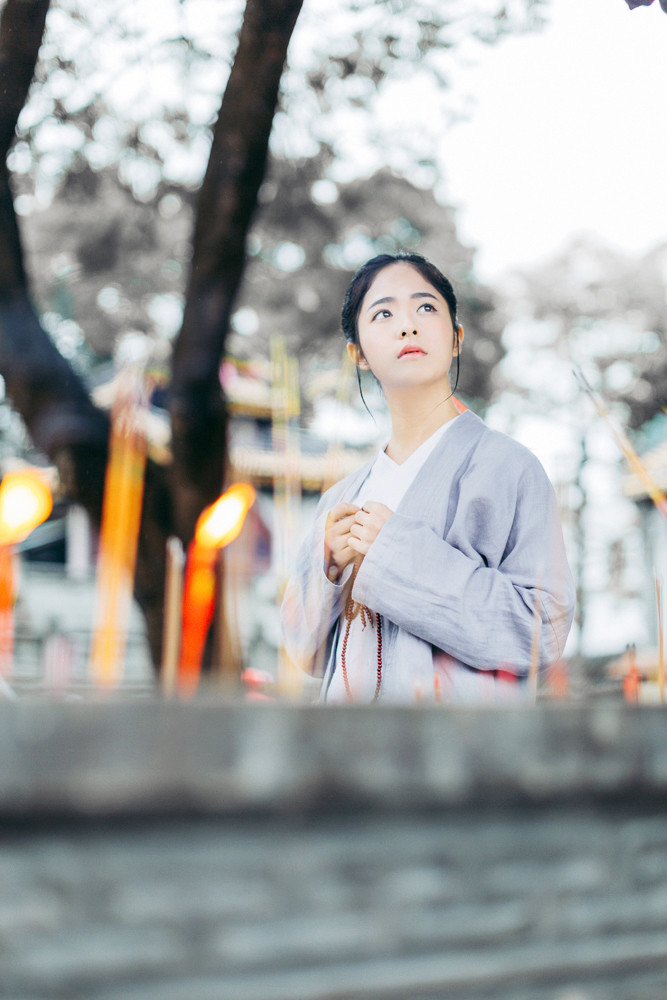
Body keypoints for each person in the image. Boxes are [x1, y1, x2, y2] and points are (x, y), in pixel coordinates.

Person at [281, 252, 575, 704]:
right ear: (357, 353)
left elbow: (544, 629)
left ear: (456, 338)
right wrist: (330, 573)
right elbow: (302, 651)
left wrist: (395, 555)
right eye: (383, 313)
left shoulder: (509, 468)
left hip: (456, 761)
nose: (407, 325)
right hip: (342, 761)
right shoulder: (341, 498)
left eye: (426, 308)